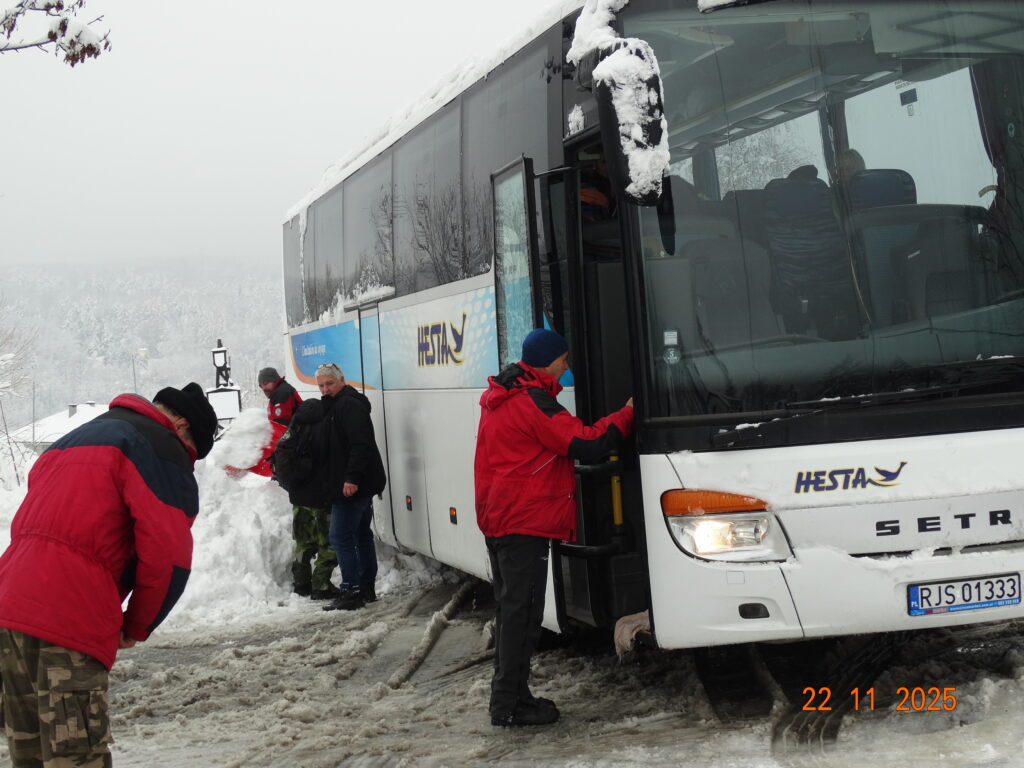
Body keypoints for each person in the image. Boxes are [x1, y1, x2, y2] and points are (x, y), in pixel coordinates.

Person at [0, 384, 217, 767]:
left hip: (8, 608)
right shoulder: (160, 447)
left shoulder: (72, 440)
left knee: (29, 753)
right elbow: (168, 556)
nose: (188, 463)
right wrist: (136, 626)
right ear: (182, 426)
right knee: (76, 756)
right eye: (192, 453)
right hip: (69, 616)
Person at [474, 329, 634, 728]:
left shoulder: (508, 394)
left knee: (512, 611)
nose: (566, 367)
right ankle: (509, 704)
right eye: (563, 360)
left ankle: (510, 696)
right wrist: (628, 413)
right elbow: (586, 441)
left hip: (503, 517)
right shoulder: (531, 401)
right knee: (522, 614)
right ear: (547, 361)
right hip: (521, 521)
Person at [314, 363, 387, 612]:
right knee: (360, 534)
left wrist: (352, 478)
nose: (325, 389)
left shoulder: (348, 405)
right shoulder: (340, 403)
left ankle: (352, 589)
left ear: (341, 380)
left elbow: (360, 444)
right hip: (358, 482)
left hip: (353, 485)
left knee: (340, 536)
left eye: (329, 384)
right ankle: (365, 588)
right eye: (321, 386)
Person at [281, 398, 340, 601]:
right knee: (328, 543)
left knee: (303, 543)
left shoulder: (294, 427)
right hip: (320, 498)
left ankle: (301, 583)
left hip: (298, 498)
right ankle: (320, 585)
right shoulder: (323, 429)